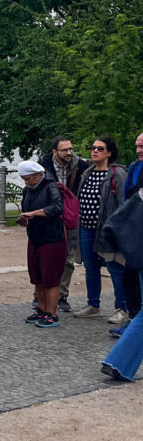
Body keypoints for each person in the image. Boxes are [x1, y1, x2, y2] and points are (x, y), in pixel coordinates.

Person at [74, 137, 128, 324]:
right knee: (91, 268)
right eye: (93, 148)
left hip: (107, 230)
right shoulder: (87, 173)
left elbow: (122, 202)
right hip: (87, 228)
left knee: (115, 268)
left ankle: (122, 307)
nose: (95, 151)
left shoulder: (117, 173)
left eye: (100, 148)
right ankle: (93, 304)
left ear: (109, 153)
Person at [39, 135, 89, 313]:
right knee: (45, 255)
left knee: (68, 257)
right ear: (54, 152)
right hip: (49, 215)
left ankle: (62, 296)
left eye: (70, 149)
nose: (69, 152)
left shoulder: (81, 165)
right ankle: (41, 295)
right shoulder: (43, 164)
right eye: (64, 150)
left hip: (70, 214)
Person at [17, 161, 66, 328]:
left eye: (29, 178)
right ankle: (42, 308)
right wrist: (24, 218)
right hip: (35, 237)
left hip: (52, 238)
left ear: (38, 175)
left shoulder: (50, 186)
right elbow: (27, 209)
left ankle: (52, 313)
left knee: (50, 278)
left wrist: (35, 214)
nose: (27, 182)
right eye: (24, 179)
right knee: (36, 276)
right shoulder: (28, 190)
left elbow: (58, 207)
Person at [112, 132, 143, 337]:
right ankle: (133, 317)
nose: (139, 150)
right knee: (129, 275)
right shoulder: (133, 166)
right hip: (135, 229)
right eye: (137, 146)